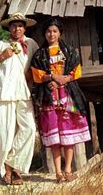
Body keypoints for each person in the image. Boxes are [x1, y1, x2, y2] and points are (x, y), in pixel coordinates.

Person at [0, 13, 39, 185]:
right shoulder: (0, 45)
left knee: (29, 128)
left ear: (24, 28)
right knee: (5, 133)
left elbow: (39, 62)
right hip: (4, 94)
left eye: (20, 25)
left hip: (24, 93)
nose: (17, 28)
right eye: (13, 25)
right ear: (8, 28)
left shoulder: (31, 44)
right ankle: (7, 172)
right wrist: (0, 58)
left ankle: (13, 163)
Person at [30, 18, 91, 183]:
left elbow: (77, 70)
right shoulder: (40, 54)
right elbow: (36, 74)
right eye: (49, 31)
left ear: (60, 33)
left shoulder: (69, 51)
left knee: (68, 135)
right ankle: (57, 172)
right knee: (55, 137)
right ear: (45, 34)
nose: (52, 34)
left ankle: (68, 169)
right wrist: (50, 77)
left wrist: (66, 78)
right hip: (49, 99)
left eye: (55, 31)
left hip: (67, 95)